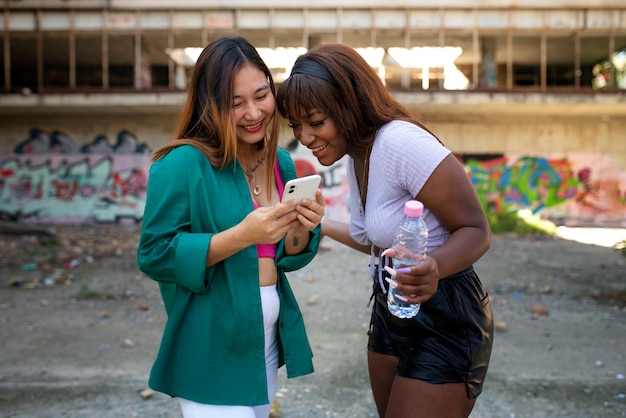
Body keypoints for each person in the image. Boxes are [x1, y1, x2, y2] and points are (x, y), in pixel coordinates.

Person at [276, 43, 494, 418]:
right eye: (296, 125)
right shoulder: (358, 153)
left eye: (315, 122)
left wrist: (436, 267)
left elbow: (476, 229)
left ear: (350, 105)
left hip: (445, 314)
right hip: (391, 308)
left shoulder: (399, 140)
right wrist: (318, 224)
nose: (305, 137)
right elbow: (372, 239)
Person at [137, 36, 325, 418]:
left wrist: (304, 226)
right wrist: (243, 235)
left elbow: (286, 255)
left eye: (261, 96)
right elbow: (154, 255)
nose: (253, 113)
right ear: (211, 105)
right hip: (209, 343)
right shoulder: (182, 164)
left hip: (263, 342)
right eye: (235, 103)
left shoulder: (281, 164)